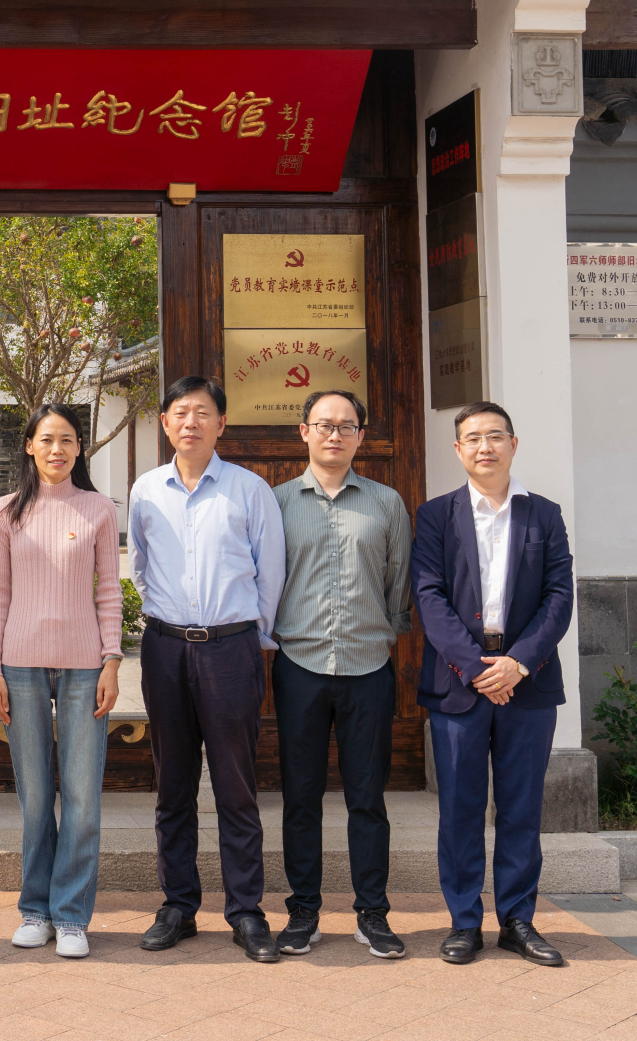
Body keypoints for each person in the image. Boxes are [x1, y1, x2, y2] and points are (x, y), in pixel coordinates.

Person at [128, 375, 285, 962]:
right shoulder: (146, 490)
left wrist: (247, 636)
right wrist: (169, 623)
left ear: (222, 423)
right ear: (165, 423)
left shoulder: (249, 490)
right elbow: (140, 568)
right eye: (180, 412)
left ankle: (246, 910)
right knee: (172, 784)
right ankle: (178, 905)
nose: (190, 422)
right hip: (166, 648)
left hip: (230, 649)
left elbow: (270, 573)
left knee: (236, 786)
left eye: (202, 412)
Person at [413, 401, 575, 968]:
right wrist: (477, 666)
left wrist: (518, 662)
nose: (485, 447)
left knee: (521, 807)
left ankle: (517, 920)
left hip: (527, 682)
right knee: (460, 808)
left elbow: (559, 597)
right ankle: (464, 922)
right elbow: (428, 596)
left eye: (495, 436)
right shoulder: (436, 515)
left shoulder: (544, 515)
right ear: (458, 449)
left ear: (513, 444)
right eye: (474, 438)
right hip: (459, 683)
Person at [269, 391, 412, 960]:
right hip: (299, 665)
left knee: (367, 799)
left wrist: (382, 632)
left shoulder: (386, 503)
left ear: (361, 436)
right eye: (324, 425)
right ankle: (303, 911)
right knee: (300, 798)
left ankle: (372, 913)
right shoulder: (277, 502)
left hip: (368, 666)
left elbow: (399, 584)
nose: (334, 434)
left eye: (346, 426)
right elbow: (265, 578)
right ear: (303, 431)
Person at [0, 403, 122, 961]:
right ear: (29, 446)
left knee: (83, 797)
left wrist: (111, 660)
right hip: (19, 665)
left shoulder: (98, 508)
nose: (57, 449)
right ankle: (35, 911)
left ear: (79, 448)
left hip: (85, 666)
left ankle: (71, 916)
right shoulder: (4, 512)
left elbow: (109, 590)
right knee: (37, 796)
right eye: (46, 439)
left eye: (67, 439)